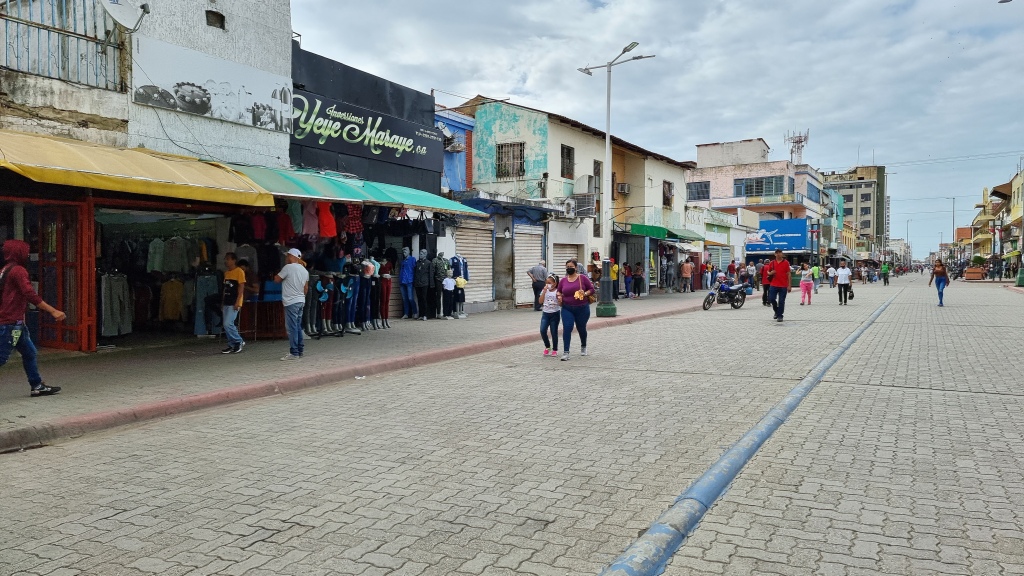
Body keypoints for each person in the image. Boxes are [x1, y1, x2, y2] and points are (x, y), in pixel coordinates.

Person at [0, 240, 64, 397]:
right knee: (1, 358)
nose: (28, 254)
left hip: (17, 324)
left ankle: (36, 385)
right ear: (19, 252)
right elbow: (30, 294)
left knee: (29, 352)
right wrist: (53, 311)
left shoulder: (5, 269)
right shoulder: (19, 271)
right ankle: (36, 385)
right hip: (11, 324)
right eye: (26, 251)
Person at [274, 248, 309, 360]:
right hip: (300, 300)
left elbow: (277, 280)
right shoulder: (304, 270)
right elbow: (306, 288)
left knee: (292, 327)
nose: (286, 258)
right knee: (297, 326)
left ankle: (294, 352)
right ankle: (300, 349)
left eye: (288, 256)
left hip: (290, 302)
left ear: (293, 257)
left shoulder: (287, 268)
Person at [556, 260, 594, 360]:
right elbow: (559, 291)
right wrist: (559, 297)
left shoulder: (582, 278)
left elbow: (591, 289)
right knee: (567, 328)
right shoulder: (563, 280)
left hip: (582, 308)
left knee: (581, 328)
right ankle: (566, 352)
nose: (569, 268)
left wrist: (585, 293)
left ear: (576, 267)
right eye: (567, 266)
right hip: (567, 308)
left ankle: (583, 346)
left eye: (571, 266)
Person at [220, 252, 246, 354]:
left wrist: (238, 301)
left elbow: (241, 288)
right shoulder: (226, 273)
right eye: (225, 259)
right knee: (227, 324)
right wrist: (222, 301)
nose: (226, 261)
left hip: (234, 302)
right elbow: (225, 288)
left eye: (228, 259)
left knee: (228, 323)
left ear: (234, 260)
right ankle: (231, 344)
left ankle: (238, 341)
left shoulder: (239, 271)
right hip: (227, 301)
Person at [765, 249, 792, 322]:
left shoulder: (786, 263)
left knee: (781, 301)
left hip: (783, 285)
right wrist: (770, 273)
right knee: (772, 299)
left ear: (782, 254)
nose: (779, 254)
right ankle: (776, 311)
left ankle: (780, 315)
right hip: (773, 284)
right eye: (777, 253)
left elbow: (789, 274)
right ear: (775, 254)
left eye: (780, 253)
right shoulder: (772, 263)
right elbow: (768, 272)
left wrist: (789, 285)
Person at [538, 274, 560, 357]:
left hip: (555, 313)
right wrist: (544, 291)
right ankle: (547, 347)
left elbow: (560, 302)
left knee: (554, 332)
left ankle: (555, 349)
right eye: (546, 282)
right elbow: (540, 301)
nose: (547, 284)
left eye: (549, 283)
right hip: (546, 313)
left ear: (555, 283)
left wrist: (560, 298)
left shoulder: (557, 291)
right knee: (543, 330)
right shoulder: (545, 290)